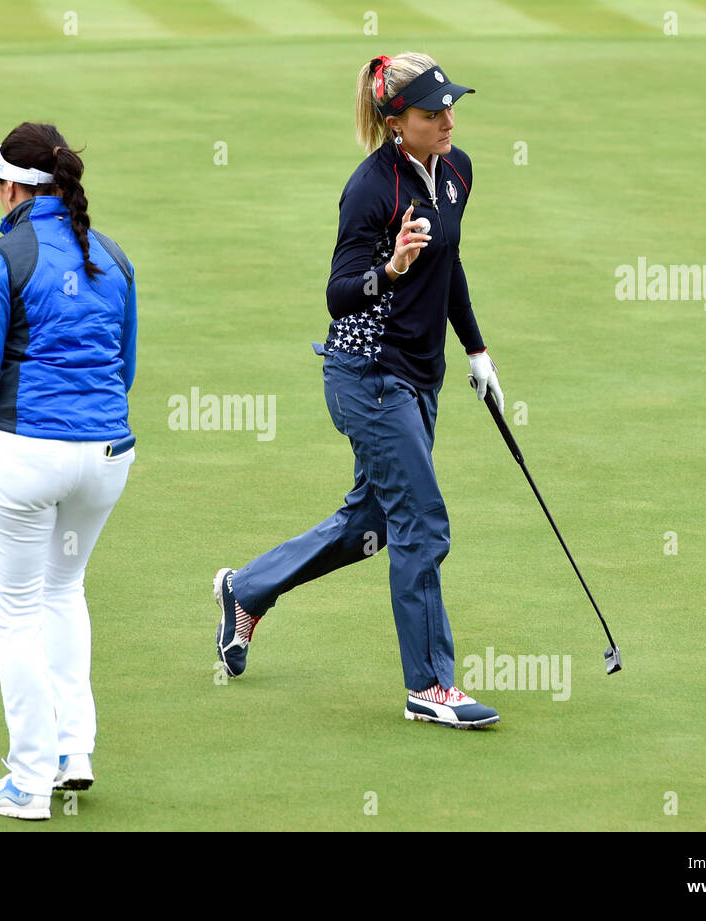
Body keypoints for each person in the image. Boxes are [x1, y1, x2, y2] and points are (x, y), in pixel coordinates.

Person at [213, 52, 504, 729]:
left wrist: (477, 347)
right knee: (422, 522)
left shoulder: (456, 172)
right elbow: (341, 294)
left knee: (373, 522)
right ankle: (430, 686)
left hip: (419, 375)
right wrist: (392, 267)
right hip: (367, 377)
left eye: (451, 107)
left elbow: (450, 263)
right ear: (398, 122)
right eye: (433, 113)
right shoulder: (373, 189)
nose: (448, 120)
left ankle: (245, 590)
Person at [0, 122, 137, 820]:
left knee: (15, 615)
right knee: (63, 591)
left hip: (25, 459)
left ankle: (29, 781)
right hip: (106, 459)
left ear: (13, 188)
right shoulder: (116, 256)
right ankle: (74, 752)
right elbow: (122, 371)